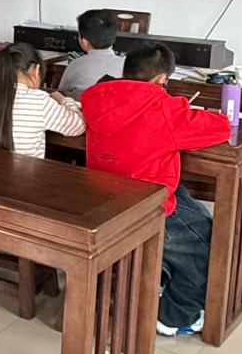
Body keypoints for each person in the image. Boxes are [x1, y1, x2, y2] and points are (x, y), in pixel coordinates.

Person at [81, 43, 232, 338]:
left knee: (187, 201)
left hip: (103, 200)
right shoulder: (163, 107)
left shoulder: (96, 98)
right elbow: (221, 128)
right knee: (208, 242)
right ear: (162, 79)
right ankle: (174, 315)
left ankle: (160, 275)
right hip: (147, 206)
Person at [0, 41, 84, 159]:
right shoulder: (40, 101)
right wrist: (64, 100)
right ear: (36, 70)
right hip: (27, 171)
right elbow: (78, 126)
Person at [57, 9, 125, 97]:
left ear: (84, 42)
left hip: (80, 105)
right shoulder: (124, 65)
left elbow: (61, 92)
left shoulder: (76, 64)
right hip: (113, 105)